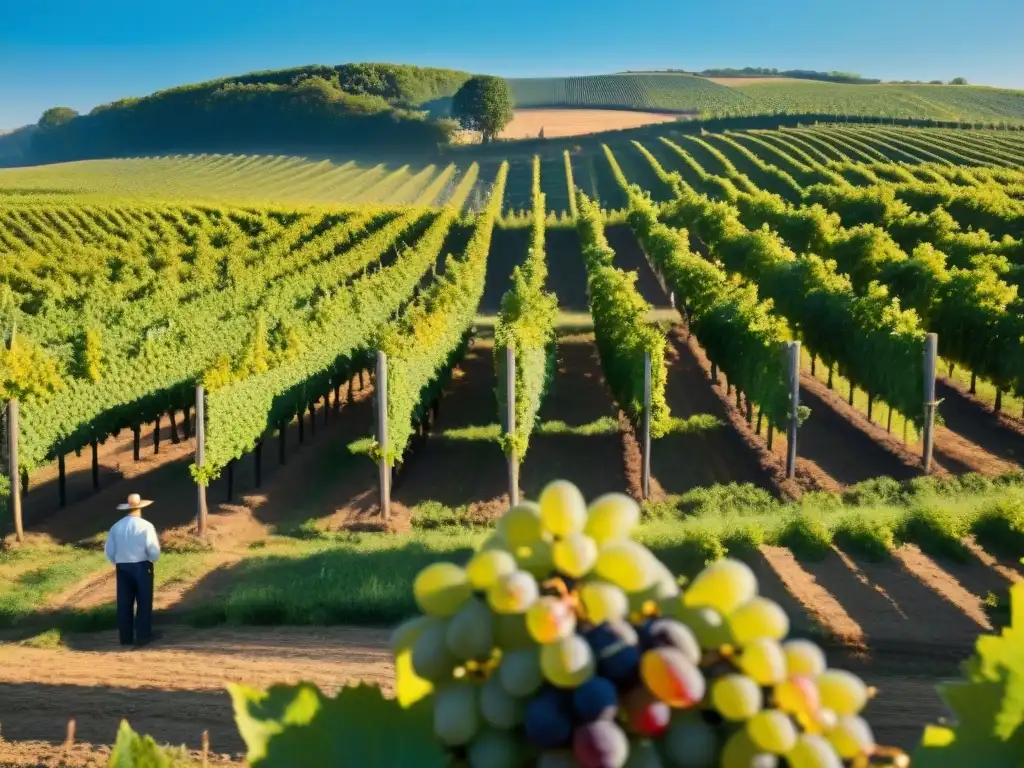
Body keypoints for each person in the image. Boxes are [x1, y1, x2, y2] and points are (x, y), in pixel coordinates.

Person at [105, 493, 160, 647]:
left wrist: (116, 561)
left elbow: (109, 551)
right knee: (143, 601)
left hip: (122, 567)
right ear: (140, 508)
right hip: (142, 565)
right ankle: (143, 635)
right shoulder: (146, 526)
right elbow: (153, 550)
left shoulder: (116, 527)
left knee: (124, 603)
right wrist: (153, 559)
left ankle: (125, 637)